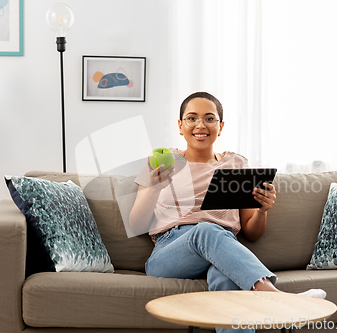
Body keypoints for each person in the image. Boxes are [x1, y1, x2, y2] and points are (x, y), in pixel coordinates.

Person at [129, 92, 325, 333]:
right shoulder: (161, 162)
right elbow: (136, 224)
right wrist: (155, 186)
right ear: (180, 126)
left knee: (225, 278)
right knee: (206, 229)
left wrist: (263, 211)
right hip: (169, 254)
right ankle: (278, 299)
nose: (200, 125)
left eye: (209, 119)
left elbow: (252, 233)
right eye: (192, 118)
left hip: (221, 249)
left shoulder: (236, 165)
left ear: (220, 127)